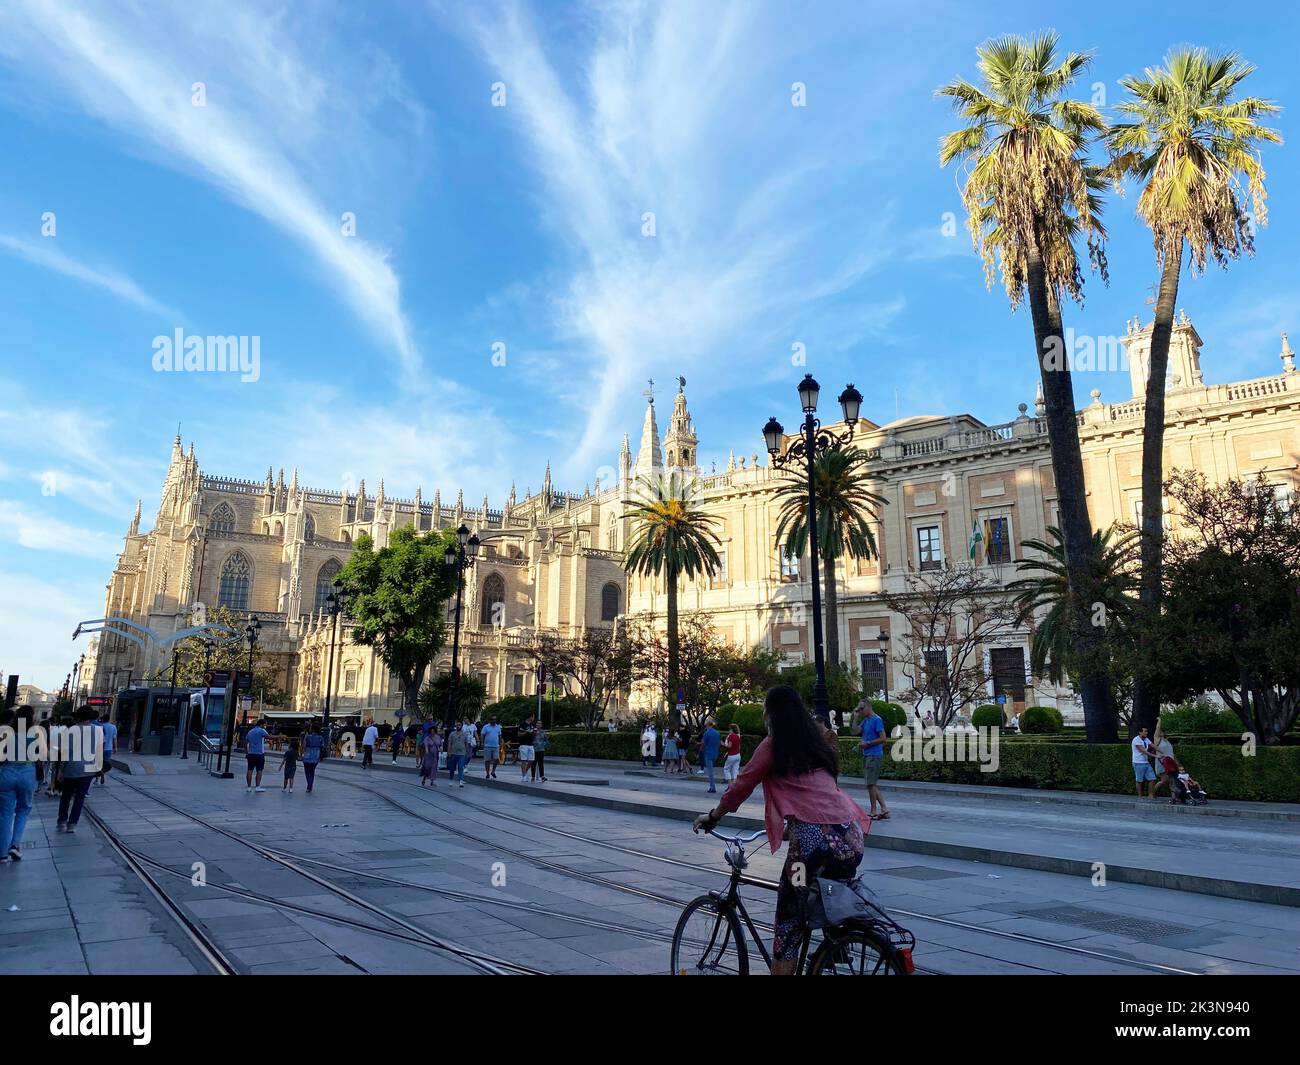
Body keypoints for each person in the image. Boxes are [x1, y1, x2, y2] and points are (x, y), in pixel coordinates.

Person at [693, 685, 871, 976]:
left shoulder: (774, 745)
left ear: (771, 714)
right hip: (851, 840)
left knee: (789, 919)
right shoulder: (816, 744)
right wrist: (795, 826)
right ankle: (838, 943)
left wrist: (713, 816)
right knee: (824, 894)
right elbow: (815, 795)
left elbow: (742, 785)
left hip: (811, 849)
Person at [0, 706, 40, 861]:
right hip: (27, 773)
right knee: (23, 809)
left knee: (5, 813)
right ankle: (15, 845)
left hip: (7, 773)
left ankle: (2, 852)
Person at [57, 705, 103, 833]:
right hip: (88, 768)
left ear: (78, 716)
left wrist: (61, 770)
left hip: (71, 767)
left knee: (66, 796)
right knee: (80, 798)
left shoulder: (71, 730)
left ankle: (62, 821)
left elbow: (66, 752)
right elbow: (99, 750)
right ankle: (72, 824)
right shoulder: (98, 730)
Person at [857, 699, 890, 820]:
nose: (860, 711)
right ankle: (884, 809)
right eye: (859, 709)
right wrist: (855, 717)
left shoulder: (877, 719)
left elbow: (883, 738)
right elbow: (855, 731)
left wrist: (868, 743)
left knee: (870, 784)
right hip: (868, 754)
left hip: (874, 754)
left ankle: (874, 810)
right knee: (872, 784)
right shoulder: (866, 720)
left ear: (868, 707)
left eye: (861, 708)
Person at [1131, 726, 1158, 799]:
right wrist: (1155, 756)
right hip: (1138, 762)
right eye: (1145, 731)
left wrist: (1163, 752)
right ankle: (1140, 796)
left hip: (1146, 762)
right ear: (1140, 732)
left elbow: (1153, 746)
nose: (1146, 732)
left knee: (1152, 778)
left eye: (1146, 731)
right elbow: (1143, 751)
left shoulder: (1146, 739)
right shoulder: (1136, 740)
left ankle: (1150, 795)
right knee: (1139, 780)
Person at [245, 718, 270, 792]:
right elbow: (269, 737)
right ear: (261, 724)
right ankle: (257, 786)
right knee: (259, 770)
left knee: (250, 770)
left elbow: (245, 743)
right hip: (259, 754)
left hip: (251, 753)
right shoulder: (261, 730)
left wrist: (247, 752)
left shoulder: (250, 732)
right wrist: (280, 737)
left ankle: (249, 787)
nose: (265, 726)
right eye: (265, 725)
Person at [699, 718, 721, 793]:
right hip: (715, 753)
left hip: (708, 753)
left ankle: (712, 787)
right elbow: (718, 743)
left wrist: (700, 750)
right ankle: (712, 786)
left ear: (708, 725)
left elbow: (703, 743)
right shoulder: (717, 733)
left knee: (710, 771)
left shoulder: (706, 733)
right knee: (712, 769)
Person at [96, 712, 117, 786]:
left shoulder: (100, 726)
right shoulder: (113, 727)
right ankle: (102, 774)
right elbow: (114, 738)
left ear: (103, 719)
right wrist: (115, 747)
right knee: (106, 764)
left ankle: (97, 778)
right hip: (109, 748)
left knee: (98, 763)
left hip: (100, 748)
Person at [301, 723, 324, 793]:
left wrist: (302, 753)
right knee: (312, 771)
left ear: (313, 729)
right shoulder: (321, 737)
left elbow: (304, 745)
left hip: (308, 753)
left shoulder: (308, 736)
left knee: (306, 770)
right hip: (316, 754)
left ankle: (309, 784)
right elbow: (322, 746)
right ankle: (310, 785)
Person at [517, 717, 536, 782]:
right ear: (529, 717)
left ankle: (525, 772)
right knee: (524, 761)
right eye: (532, 716)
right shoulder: (522, 724)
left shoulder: (533, 724)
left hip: (531, 744)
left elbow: (535, 733)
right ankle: (524, 776)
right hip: (523, 744)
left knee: (531, 760)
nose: (533, 718)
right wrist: (526, 732)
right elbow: (519, 734)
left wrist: (533, 733)